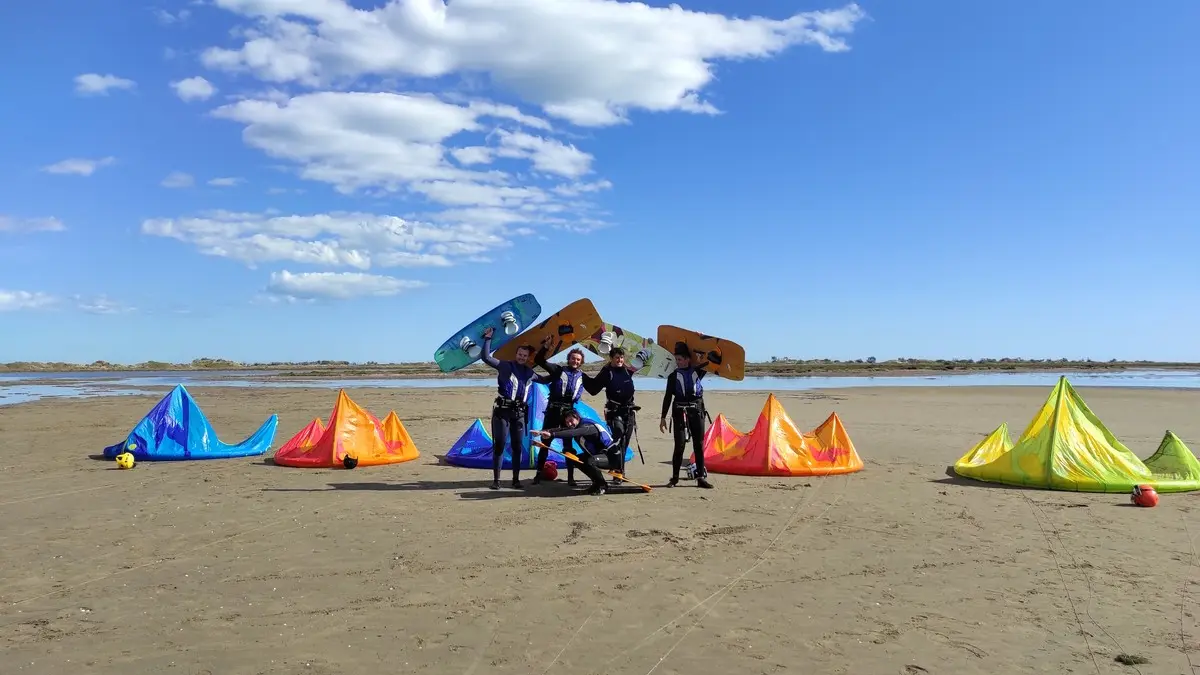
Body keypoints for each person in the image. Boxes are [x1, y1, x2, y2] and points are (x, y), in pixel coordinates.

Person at [480, 326, 553, 490]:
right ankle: (496, 481)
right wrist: (488, 338)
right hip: (502, 412)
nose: (522, 357)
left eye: (525, 356)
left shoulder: (530, 372)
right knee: (499, 445)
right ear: (516, 354)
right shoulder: (505, 366)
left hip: (519, 413)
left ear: (528, 357)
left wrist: (558, 372)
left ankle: (515, 480)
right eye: (520, 354)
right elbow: (486, 357)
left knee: (517, 447)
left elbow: (545, 380)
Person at [531, 336, 590, 486]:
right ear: (568, 359)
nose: (575, 361)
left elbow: (596, 387)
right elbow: (539, 360)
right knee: (545, 442)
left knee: (568, 446)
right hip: (553, 412)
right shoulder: (558, 370)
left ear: (581, 362)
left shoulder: (583, 377)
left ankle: (570, 477)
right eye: (573, 358)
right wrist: (545, 347)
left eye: (578, 359)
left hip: (568, 414)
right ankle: (538, 474)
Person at [660, 341, 715, 489]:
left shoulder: (698, 372)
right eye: (676, 359)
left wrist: (700, 343)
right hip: (679, 412)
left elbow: (713, 360)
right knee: (679, 446)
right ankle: (674, 478)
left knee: (699, 445)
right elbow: (667, 397)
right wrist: (663, 417)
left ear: (687, 359)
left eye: (680, 359)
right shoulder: (673, 376)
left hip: (696, 411)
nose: (678, 362)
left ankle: (700, 478)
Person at [584, 346, 644, 480]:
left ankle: (618, 470)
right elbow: (593, 389)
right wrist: (581, 376)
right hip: (614, 412)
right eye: (617, 358)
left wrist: (645, 354)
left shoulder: (627, 370)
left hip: (629, 412)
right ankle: (617, 472)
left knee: (625, 442)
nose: (620, 360)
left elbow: (640, 364)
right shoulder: (607, 372)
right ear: (611, 358)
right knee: (618, 440)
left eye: (621, 357)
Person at [534, 408, 613, 495]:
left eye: (571, 421)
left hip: (611, 457)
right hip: (598, 456)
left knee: (590, 461)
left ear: (577, 417)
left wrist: (552, 434)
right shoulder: (576, 426)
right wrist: (542, 432)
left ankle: (602, 485)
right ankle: (596, 483)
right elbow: (563, 430)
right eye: (567, 422)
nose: (570, 424)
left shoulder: (587, 426)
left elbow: (573, 432)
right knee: (576, 459)